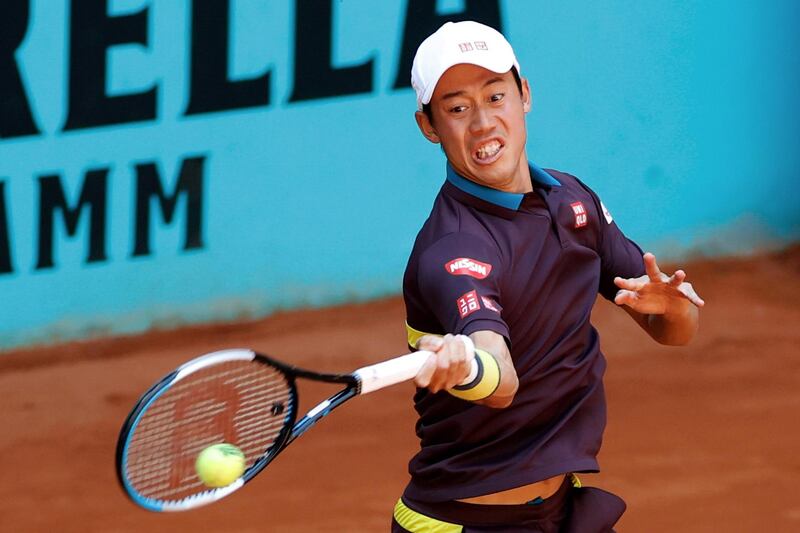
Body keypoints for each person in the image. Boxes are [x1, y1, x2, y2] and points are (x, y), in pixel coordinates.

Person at [391, 21, 704, 533]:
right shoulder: (454, 249)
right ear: (428, 125)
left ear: (524, 95)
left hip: (561, 511)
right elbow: (500, 378)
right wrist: (468, 366)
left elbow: (677, 330)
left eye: (496, 96)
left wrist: (672, 307)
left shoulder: (573, 200)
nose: (484, 123)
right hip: (465, 523)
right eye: (457, 108)